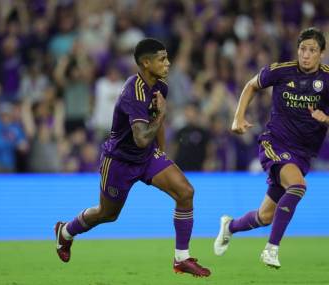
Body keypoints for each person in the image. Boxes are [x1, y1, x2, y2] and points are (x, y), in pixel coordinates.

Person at [54, 38, 211, 277]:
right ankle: (65, 232)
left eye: (167, 58)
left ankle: (182, 258)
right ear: (146, 63)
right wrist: (161, 116)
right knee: (107, 214)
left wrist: (161, 151)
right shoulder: (133, 92)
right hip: (119, 161)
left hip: (147, 157)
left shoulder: (160, 86)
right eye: (162, 59)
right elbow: (140, 137)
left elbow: (156, 125)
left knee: (185, 192)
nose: (168, 63)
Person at [214, 27, 329, 268]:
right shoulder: (281, 71)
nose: (306, 55)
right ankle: (271, 249)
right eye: (302, 49)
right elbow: (251, 85)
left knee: (265, 216)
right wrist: (238, 117)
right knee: (297, 186)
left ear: (322, 54)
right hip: (275, 142)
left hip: (303, 153)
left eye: (312, 50)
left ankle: (230, 226)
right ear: (297, 50)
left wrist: (325, 118)